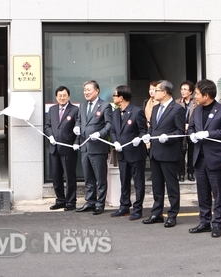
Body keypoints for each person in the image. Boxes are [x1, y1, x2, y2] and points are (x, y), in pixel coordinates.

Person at [188, 79, 221, 238]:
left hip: (216, 158)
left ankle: (217, 224)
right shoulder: (197, 110)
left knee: (218, 193)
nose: (195, 97)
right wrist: (192, 135)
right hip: (200, 158)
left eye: (197, 94)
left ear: (206, 95)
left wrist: (209, 134)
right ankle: (204, 222)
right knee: (203, 193)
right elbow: (191, 127)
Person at [142, 80, 185, 227]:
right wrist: (148, 135)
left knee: (172, 186)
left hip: (169, 153)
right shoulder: (155, 108)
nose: (154, 93)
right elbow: (152, 128)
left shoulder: (177, 109)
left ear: (165, 92)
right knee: (157, 186)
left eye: (157, 90)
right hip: (155, 152)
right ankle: (156, 213)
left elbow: (180, 132)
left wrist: (168, 137)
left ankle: (172, 214)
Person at [109, 85, 147, 221]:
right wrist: (115, 142)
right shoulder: (115, 112)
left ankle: (138, 209)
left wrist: (139, 139)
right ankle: (124, 206)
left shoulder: (137, 112)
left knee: (138, 182)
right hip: (122, 153)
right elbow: (113, 130)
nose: (113, 97)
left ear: (121, 97)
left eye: (115, 95)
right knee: (124, 181)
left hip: (136, 153)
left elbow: (143, 130)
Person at [75, 80, 113, 215]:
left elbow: (109, 125)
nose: (86, 92)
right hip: (85, 147)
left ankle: (100, 203)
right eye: (85, 90)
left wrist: (100, 134)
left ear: (97, 90)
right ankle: (90, 202)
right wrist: (77, 127)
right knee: (88, 178)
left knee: (100, 178)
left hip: (98, 148)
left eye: (88, 90)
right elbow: (79, 120)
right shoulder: (82, 105)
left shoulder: (105, 106)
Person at [43, 86, 80, 211]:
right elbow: (47, 126)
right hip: (54, 148)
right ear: (56, 97)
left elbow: (79, 129)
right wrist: (50, 136)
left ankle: (71, 202)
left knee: (69, 177)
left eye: (64, 95)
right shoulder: (52, 109)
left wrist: (76, 142)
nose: (62, 98)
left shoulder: (75, 110)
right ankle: (60, 200)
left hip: (68, 148)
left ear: (69, 96)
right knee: (56, 176)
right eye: (60, 96)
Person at [176, 81, 197, 182]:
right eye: (181, 89)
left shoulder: (196, 102)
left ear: (191, 91)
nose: (183, 91)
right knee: (181, 151)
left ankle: (190, 172)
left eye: (185, 89)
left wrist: (190, 125)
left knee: (192, 152)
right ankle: (181, 173)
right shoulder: (177, 102)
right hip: (181, 130)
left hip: (193, 130)